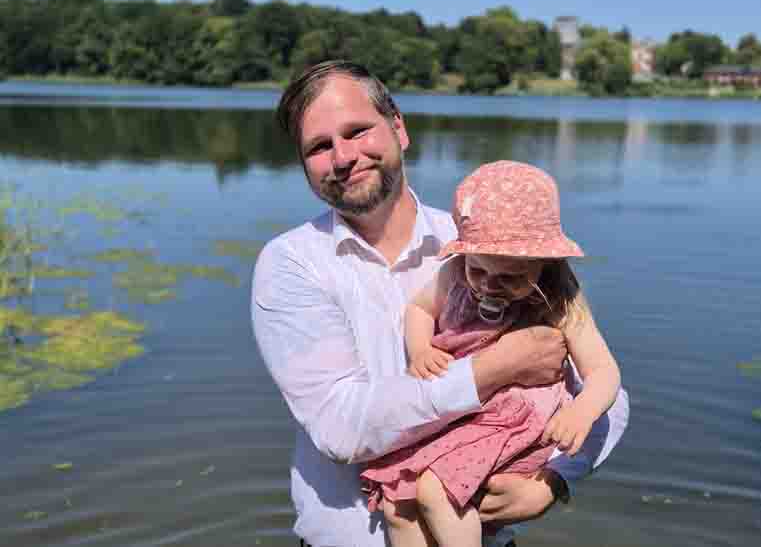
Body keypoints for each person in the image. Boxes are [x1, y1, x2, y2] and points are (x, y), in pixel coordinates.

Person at [251, 60, 629, 547]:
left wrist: (554, 481)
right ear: (304, 164)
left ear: (399, 128)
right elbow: (341, 427)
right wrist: (492, 368)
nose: (343, 157)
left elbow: (607, 396)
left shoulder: (491, 241)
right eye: (320, 147)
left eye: (357, 131)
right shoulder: (291, 264)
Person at [360, 160, 622, 547]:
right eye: (480, 270)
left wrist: (582, 411)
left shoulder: (560, 299)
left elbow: (603, 370)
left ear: (544, 263)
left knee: (437, 492)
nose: (490, 286)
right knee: (399, 507)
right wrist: (419, 349)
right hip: (461, 410)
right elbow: (419, 308)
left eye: (512, 277)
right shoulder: (455, 273)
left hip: (512, 416)